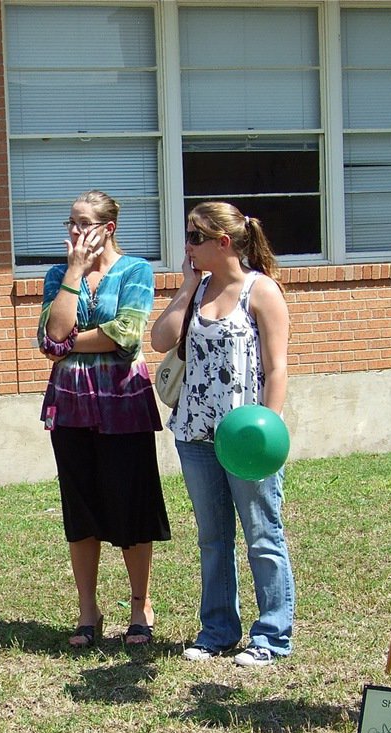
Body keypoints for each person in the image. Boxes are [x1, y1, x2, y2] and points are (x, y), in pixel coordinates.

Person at [151, 202, 296, 668]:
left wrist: (265, 433)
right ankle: (217, 629)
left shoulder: (261, 290)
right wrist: (188, 287)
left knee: (262, 534)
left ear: (223, 242)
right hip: (194, 432)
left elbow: (277, 369)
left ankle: (271, 634)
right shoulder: (198, 289)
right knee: (213, 538)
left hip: (245, 438)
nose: (187, 245)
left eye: (195, 237)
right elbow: (160, 339)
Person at [38, 190, 170, 648]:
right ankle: (87, 609)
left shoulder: (136, 271)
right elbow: (48, 338)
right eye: (69, 223)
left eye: (82, 224)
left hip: (123, 404)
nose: (74, 232)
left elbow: (127, 335)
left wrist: (67, 341)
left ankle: (140, 606)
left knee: (130, 504)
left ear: (107, 228)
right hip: (71, 406)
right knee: (82, 509)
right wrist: (74, 273)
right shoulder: (58, 274)